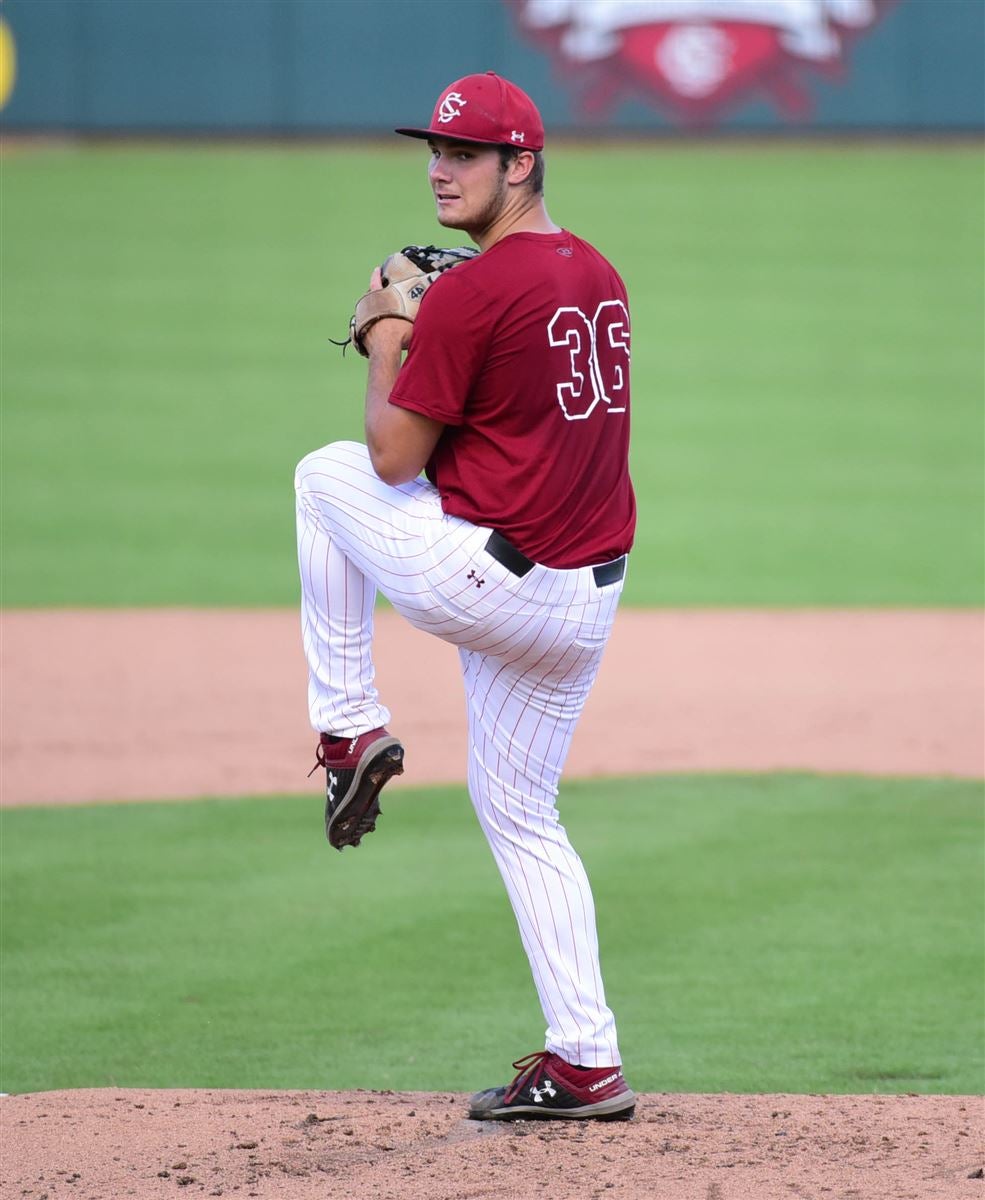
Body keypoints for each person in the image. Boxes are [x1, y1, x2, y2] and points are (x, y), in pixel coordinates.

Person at [294, 71, 637, 1121]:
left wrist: (386, 331)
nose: (440, 170)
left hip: (488, 584)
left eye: (464, 156)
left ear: (519, 164)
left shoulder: (477, 292)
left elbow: (392, 461)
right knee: (522, 812)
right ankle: (586, 1059)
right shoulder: (598, 271)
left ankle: (349, 729)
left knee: (324, 476)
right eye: (434, 152)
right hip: (586, 600)